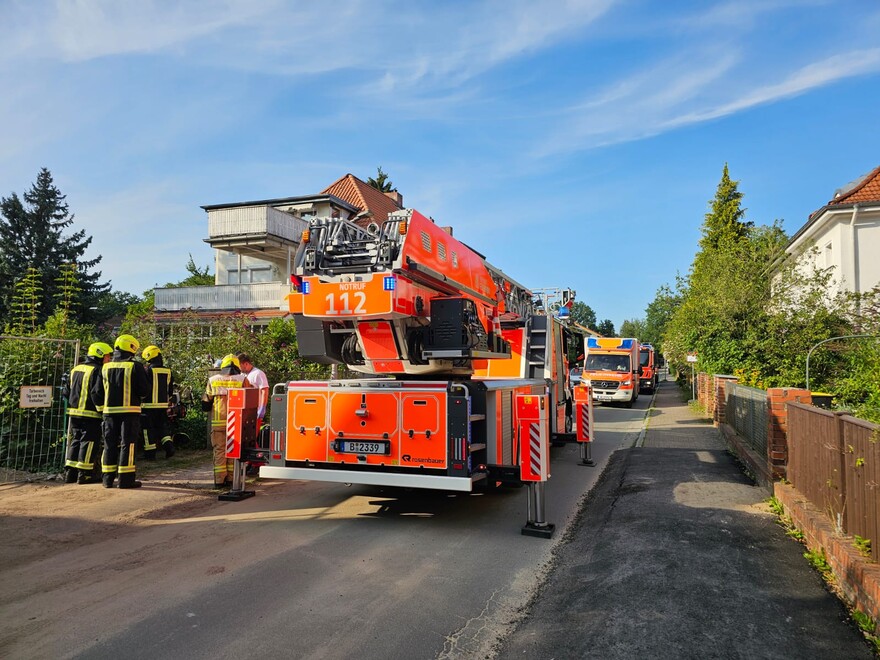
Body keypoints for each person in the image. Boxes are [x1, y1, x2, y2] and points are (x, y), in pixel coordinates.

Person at [90, 334, 149, 489]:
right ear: (131, 348)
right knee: (127, 444)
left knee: (109, 444)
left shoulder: (105, 367)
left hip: (108, 413)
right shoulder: (135, 366)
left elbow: (96, 392)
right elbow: (144, 390)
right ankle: (125, 480)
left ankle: (107, 479)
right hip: (130, 412)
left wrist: (101, 409)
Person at [63, 342, 113, 484]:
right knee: (89, 442)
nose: (108, 359)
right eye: (107, 356)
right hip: (91, 414)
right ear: (99, 355)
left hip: (74, 413)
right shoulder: (98, 370)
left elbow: (66, 392)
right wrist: (102, 410)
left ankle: (70, 473)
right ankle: (84, 474)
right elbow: (97, 393)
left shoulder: (75, 369)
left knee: (76, 440)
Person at [204, 354, 251, 488]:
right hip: (236, 422)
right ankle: (231, 479)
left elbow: (205, 404)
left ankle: (219, 481)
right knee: (233, 451)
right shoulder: (242, 379)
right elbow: (249, 399)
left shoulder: (213, 380)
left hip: (218, 422)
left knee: (219, 451)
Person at [140, 345, 176, 460]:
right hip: (162, 406)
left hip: (147, 406)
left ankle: (150, 455)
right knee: (163, 428)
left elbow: (143, 388)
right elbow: (170, 390)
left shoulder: (147, 370)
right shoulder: (167, 371)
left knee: (148, 430)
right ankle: (169, 446)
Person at [237, 353, 269, 426]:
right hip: (246, 410)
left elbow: (265, 391)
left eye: (240, 366)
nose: (239, 369)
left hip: (256, 411)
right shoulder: (242, 375)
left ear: (246, 364)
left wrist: (262, 407)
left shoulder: (258, 374)